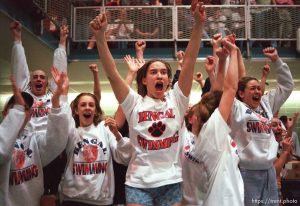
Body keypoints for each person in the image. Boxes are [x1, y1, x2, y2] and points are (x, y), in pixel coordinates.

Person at [89, 1, 206, 205]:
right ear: (144, 80)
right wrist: (100, 38)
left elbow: (189, 61)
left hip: (171, 180)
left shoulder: (177, 100)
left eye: (163, 72)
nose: (159, 75)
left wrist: (198, 25)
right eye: (153, 72)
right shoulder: (134, 103)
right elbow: (112, 74)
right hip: (138, 182)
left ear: (169, 81)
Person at [230, 47, 294, 206]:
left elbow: (287, 86)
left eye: (259, 88)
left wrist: (277, 61)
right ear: (241, 93)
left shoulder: (266, 104)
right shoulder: (236, 107)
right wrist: (232, 56)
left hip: (269, 172)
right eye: (252, 88)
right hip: (246, 172)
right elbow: (228, 86)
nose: (258, 91)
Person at [1, 70, 69, 206]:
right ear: (5, 112)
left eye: (25, 108)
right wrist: (18, 112)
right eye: (16, 107)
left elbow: (57, 141)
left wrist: (56, 103)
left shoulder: (33, 139)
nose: (21, 112)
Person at [60, 76, 131, 205]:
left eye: (91, 105)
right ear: (76, 110)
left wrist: (116, 133)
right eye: (83, 105)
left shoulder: (105, 129)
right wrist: (62, 92)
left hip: (102, 200)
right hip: (72, 199)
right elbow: (61, 115)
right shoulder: (71, 131)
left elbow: (124, 157)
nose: (87, 108)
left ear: (96, 110)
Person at [189, 37, 244, 206]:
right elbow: (230, 89)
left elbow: (217, 94)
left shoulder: (210, 133)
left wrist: (221, 62)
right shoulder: (212, 134)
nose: (229, 111)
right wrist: (234, 51)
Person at [10, 21, 68, 131]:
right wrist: (17, 38)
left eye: (42, 77)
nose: (38, 79)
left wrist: (62, 41)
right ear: (30, 82)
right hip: (26, 141)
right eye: (35, 77)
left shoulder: (53, 97)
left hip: (47, 142)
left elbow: (60, 68)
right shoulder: (24, 96)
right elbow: (19, 66)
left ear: (47, 83)